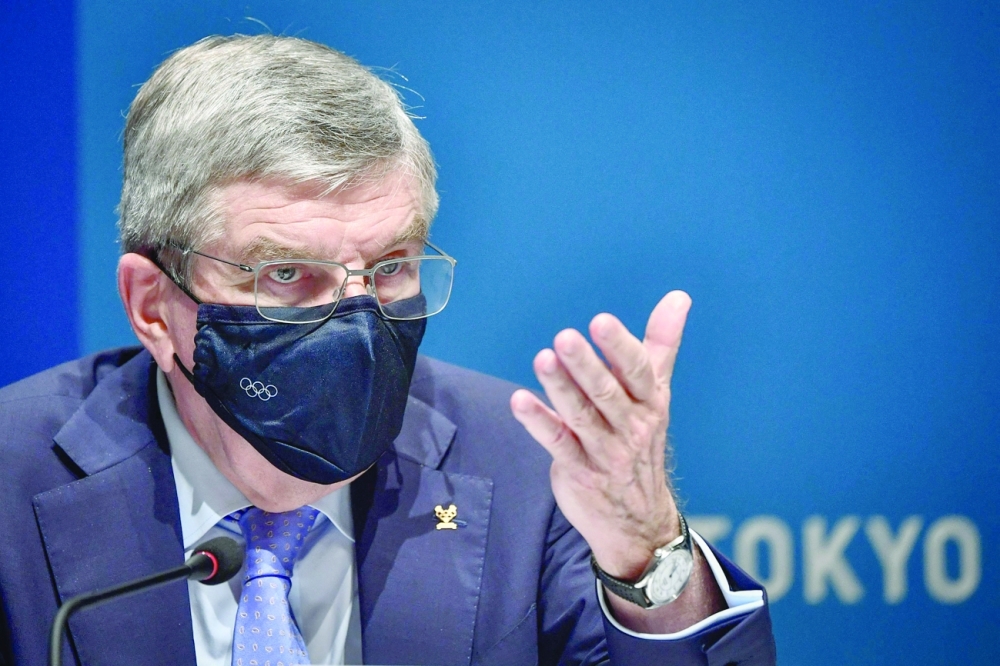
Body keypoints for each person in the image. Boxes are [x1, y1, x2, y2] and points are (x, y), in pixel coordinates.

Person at [0, 35, 775, 665]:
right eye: (285, 274)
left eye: (390, 268)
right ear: (153, 307)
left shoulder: (526, 471)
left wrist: (646, 552)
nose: (357, 323)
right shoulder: (10, 480)